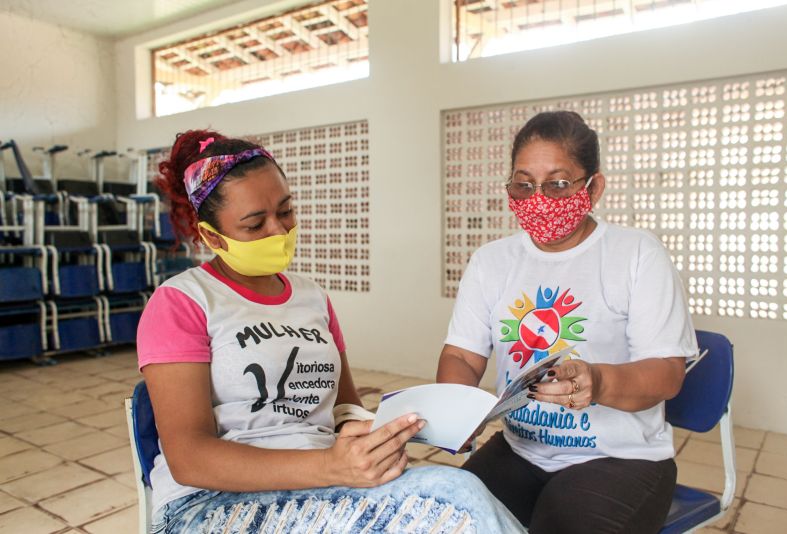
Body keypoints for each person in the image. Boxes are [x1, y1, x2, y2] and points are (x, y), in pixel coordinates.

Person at [137, 129, 524, 533]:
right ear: (211, 236)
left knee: (458, 496)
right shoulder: (182, 301)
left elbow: (346, 410)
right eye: (254, 224)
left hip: (322, 485)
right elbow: (189, 459)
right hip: (210, 505)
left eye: (285, 211)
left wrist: (387, 435)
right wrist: (328, 465)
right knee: (455, 503)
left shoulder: (311, 298)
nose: (278, 230)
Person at [437, 111, 698, 534]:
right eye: (523, 184)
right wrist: (453, 408)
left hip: (620, 459)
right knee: (446, 516)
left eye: (558, 183)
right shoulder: (492, 261)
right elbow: (462, 354)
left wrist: (598, 380)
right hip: (521, 449)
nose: (538, 198)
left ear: (593, 186)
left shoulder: (636, 254)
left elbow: (666, 375)